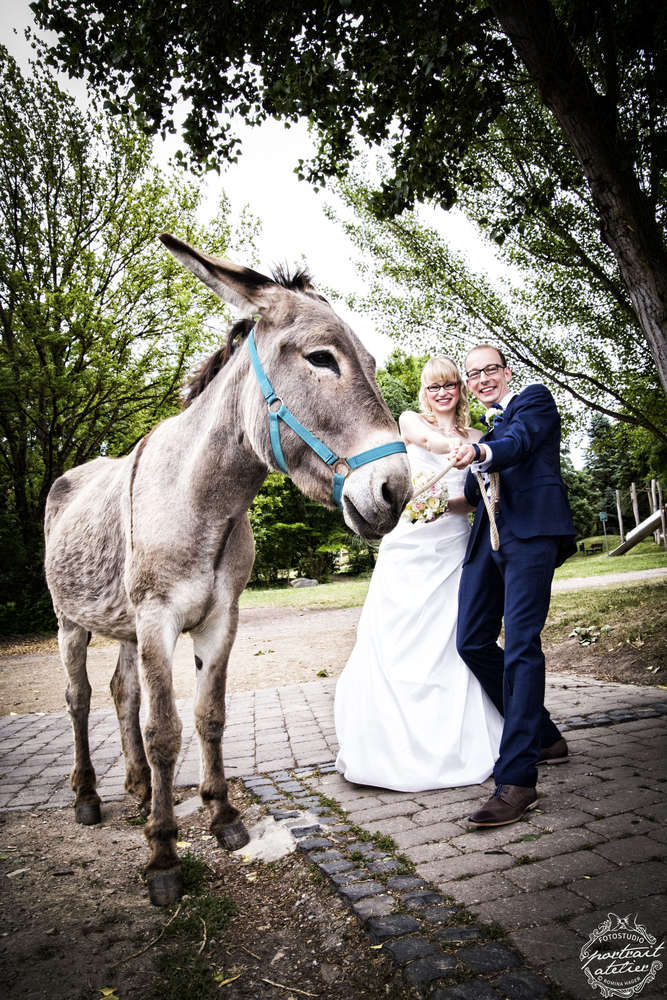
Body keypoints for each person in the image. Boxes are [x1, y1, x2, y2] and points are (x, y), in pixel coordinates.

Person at [334, 356, 503, 792]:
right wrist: (456, 452)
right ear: (424, 392)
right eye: (433, 387)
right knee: (397, 634)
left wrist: (446, 502)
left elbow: (475, 497)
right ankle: (390, 746)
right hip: (408, 546)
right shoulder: (410, 421)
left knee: (451, 637)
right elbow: (425, 439)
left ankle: (458, 741)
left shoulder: (480, 437)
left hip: (451, 545)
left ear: (460, 390)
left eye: (449, 385)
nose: (441, 392)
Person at [450, 344, 577, 827]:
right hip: (488, 535)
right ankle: (545, 736)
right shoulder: (487, 428)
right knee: (471, 640)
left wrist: (482, 450)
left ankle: (518, 778)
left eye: (489, 370)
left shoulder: (533, 401)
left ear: (506, 372)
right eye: (473, 374)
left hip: (530, 533)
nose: (482, 379)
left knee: (522, 644)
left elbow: (520, 443)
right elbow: (468, 492)